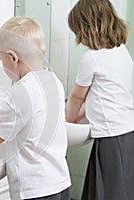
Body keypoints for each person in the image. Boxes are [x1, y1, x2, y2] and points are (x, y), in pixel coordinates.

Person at [0, 16, 71, 200]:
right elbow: (7, 124)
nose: (3, 66)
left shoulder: (20, 92)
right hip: (59, 181)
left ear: (12, 58)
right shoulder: (53, 81)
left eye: (2, 60)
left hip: (35, 189)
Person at [65, 0, 134, 199]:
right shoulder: (121, 51)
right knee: (121, 189)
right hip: (126, 129)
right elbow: (104, 93)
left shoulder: (91, 58)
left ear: (86, 28)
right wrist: (82, 113)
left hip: (111, 134)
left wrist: (68, 120)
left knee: (108, 193)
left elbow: (78, 96)